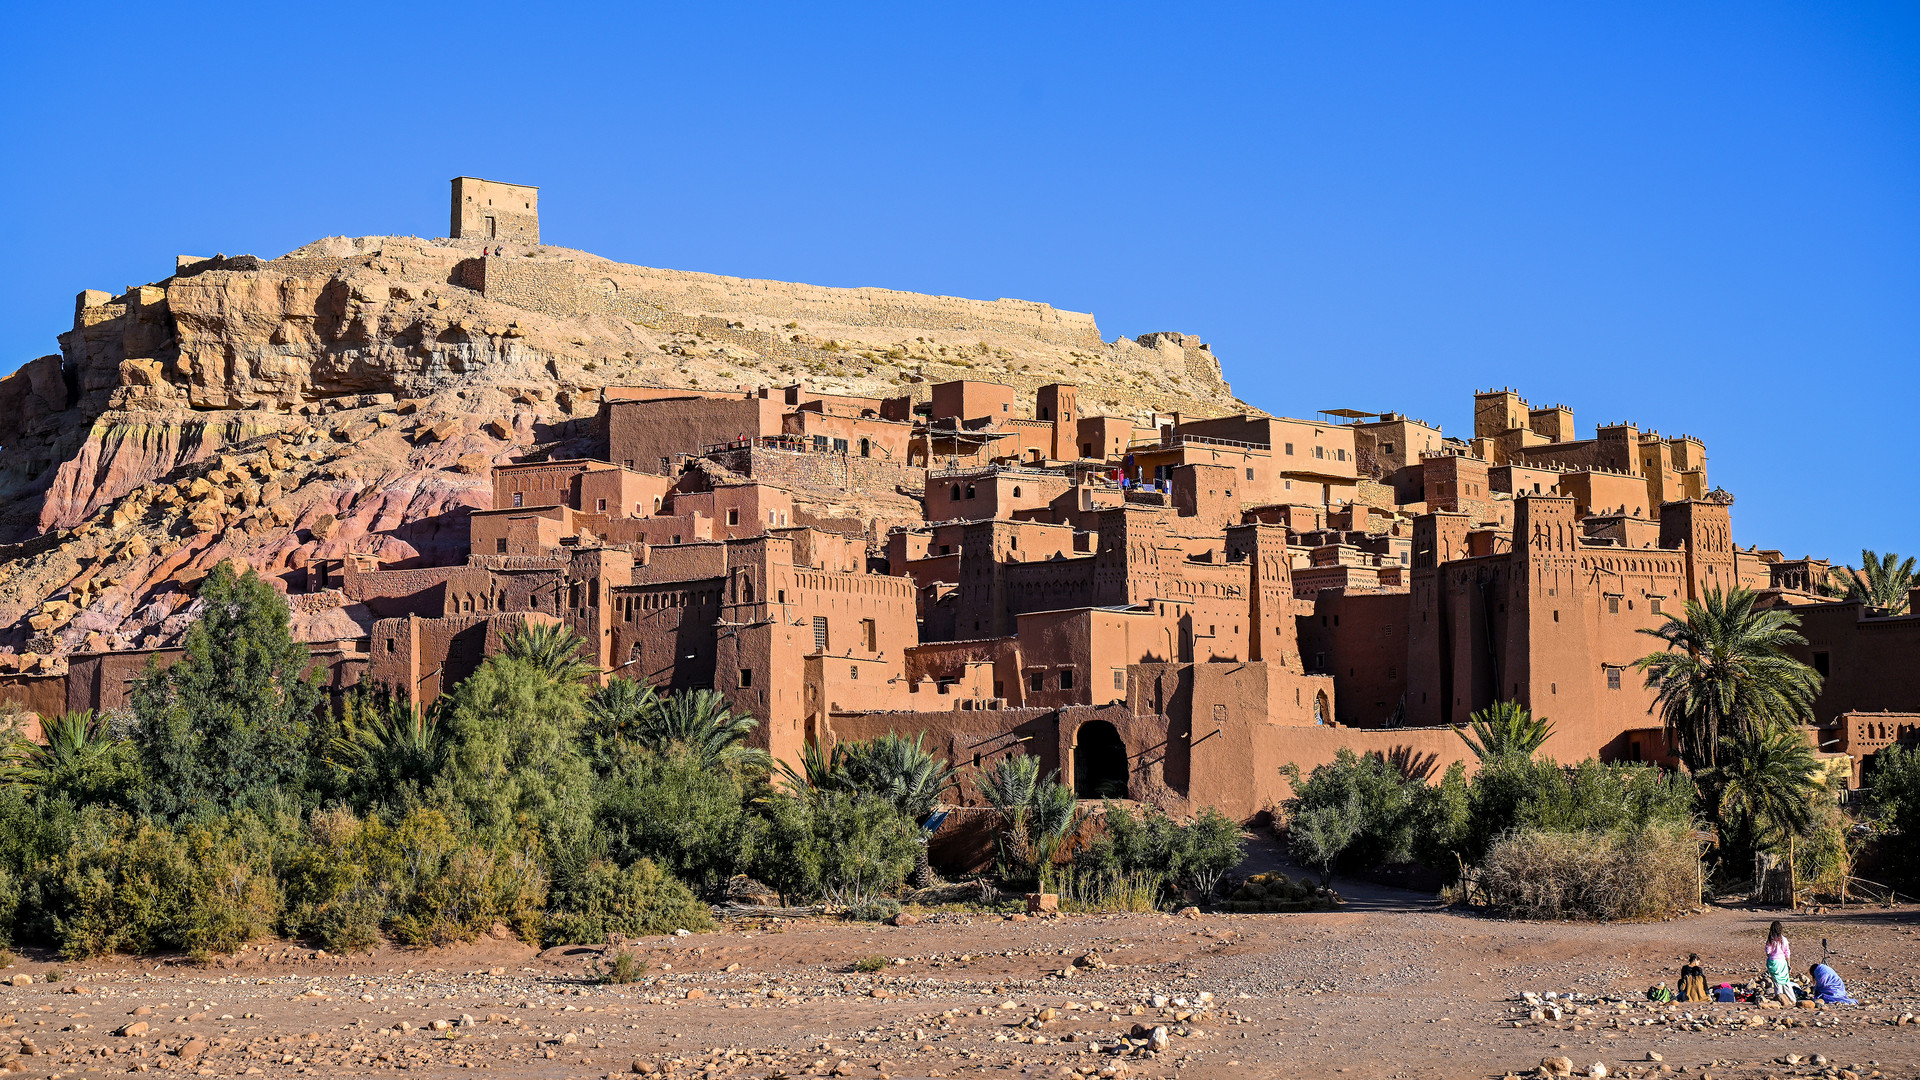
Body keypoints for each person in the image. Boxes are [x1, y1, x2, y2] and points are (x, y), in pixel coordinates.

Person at [1765, 921, 1795, 1005]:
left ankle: (1780, 1000)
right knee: (1786, 981)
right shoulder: (1784, 939)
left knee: (1777, 983)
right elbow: (1787, 952)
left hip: (1773, 962)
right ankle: (1792, 999)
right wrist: (1788, 964)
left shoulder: (1770, 940)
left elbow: (1768, 951)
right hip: (1782, 962)